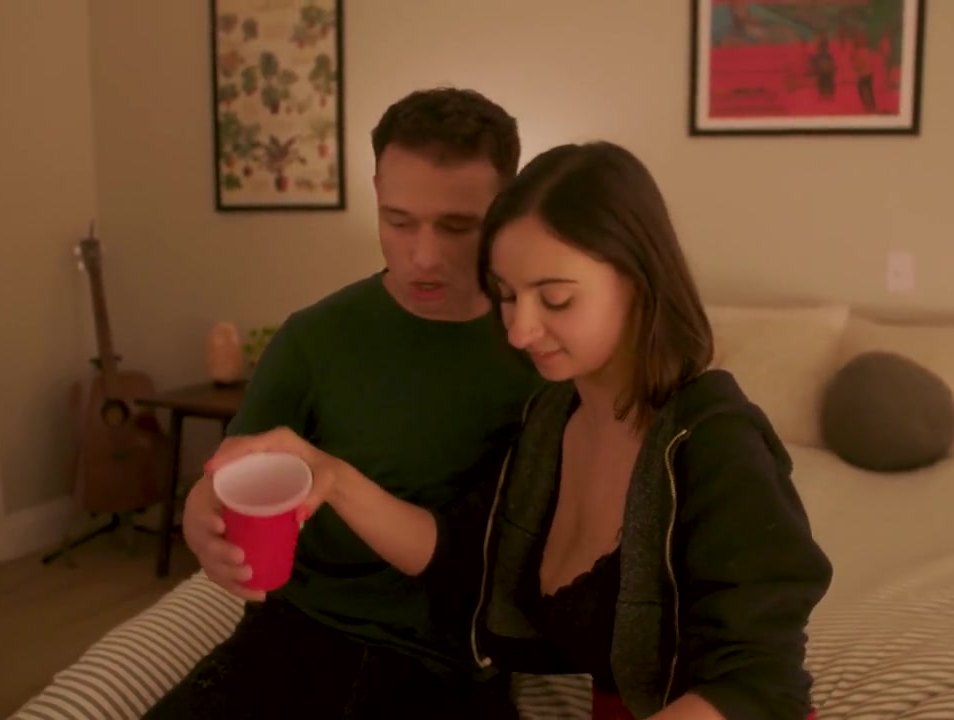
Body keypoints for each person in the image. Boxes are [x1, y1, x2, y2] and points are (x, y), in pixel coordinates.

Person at [209, 141, 834, 719]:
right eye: (507, 295)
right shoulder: (550, 421)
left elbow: (757, 685)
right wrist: (333, 478)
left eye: (555, 299)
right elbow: (466, 555)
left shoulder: (714, 441)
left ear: (639, 282)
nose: (519, 331)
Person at [144, 87, 544, 718]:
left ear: (507, 207)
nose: (423, 256)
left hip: (443, 663)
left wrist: (334, 477)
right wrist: (200, 513)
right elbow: (230, 474)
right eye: (398, 221)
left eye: (457, 226)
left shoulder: (540, 351)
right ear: (376, 193)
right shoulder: (313, 337)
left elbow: (485, 563)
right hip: (295, 633)